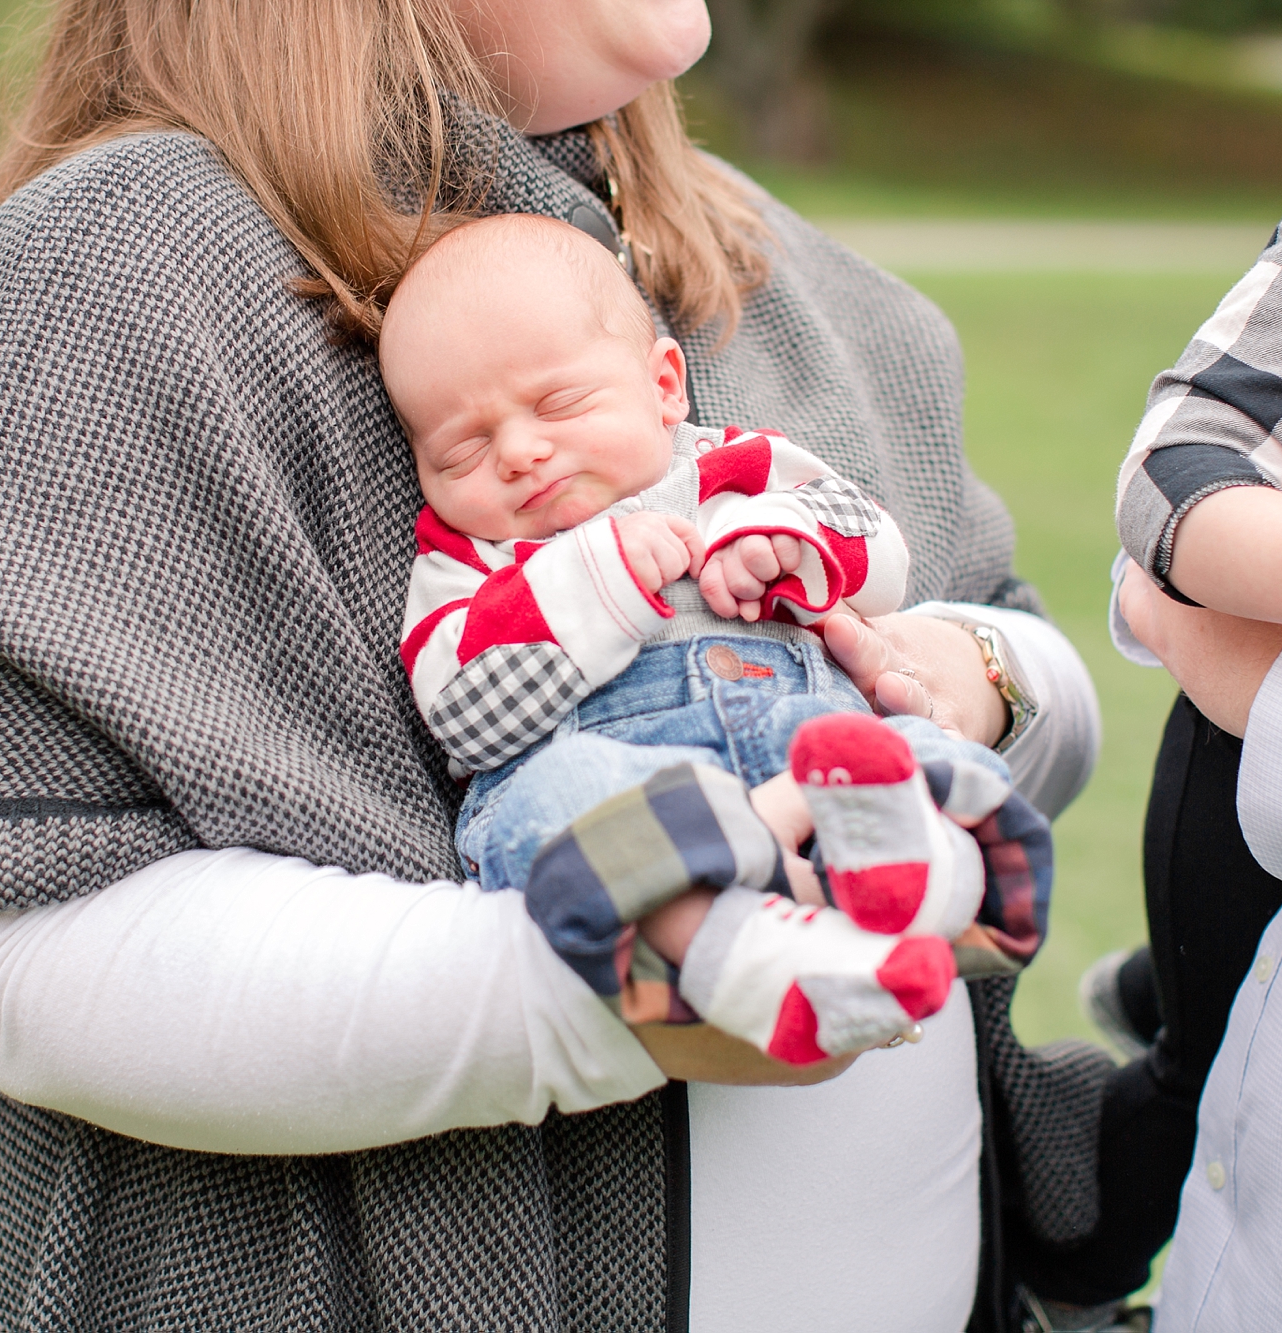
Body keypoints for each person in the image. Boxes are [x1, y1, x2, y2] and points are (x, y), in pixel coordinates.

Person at [0, 1, 1105, 1328]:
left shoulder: (768, 255)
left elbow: (1037, 682)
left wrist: (968, 669)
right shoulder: (122, 259)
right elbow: (19, 942)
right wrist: (622, 983)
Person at [385, 214, 1051, 1065]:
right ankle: (748, 960)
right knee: (555, 811)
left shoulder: (731, 470)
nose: (519, 451)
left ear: (664, 384)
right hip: (620, 777)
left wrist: (788, 541)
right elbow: (461, 712)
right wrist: (592, 586)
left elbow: (879, 550)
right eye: (462, 450)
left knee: (903, 750)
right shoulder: (464, 561)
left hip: (800, 743)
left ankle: (920, 876)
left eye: (558, 403)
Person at [1071, 199, 1282, 1329]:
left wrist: (1190, 626)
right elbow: (1174, 474)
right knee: (1191, 1067)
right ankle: (1061, 1273)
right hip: (1228, 773)